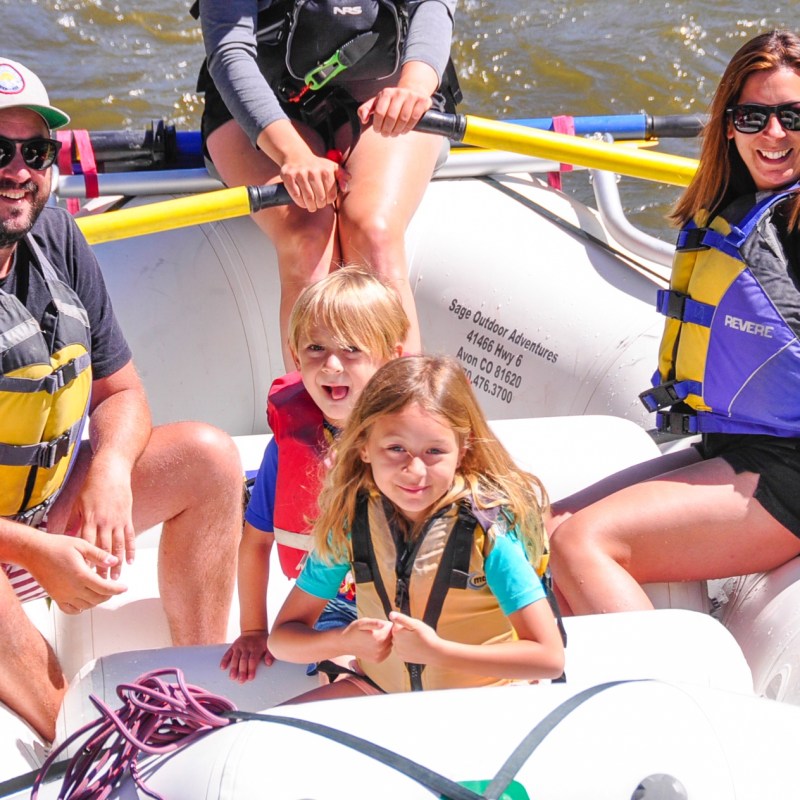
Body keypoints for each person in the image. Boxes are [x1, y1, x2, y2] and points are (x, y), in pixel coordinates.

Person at [0, 57, 242, 743]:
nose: (18, 170)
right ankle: (78, 739)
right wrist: (35, 555)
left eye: (36, 151)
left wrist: (106, 470)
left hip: (46, 511)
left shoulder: (53, 236)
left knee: (208, 459)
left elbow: (123, 392)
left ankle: (203, 695)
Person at [548, 30, 800, 616]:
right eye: (754, 115)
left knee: (582, 543)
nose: (774, 134)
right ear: (729, 124)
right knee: (542, 528)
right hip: (739, 446)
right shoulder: (739, 206)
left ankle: (665, 696)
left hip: (788, 473)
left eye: (793, 115)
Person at [269, 355, 565, 700]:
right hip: (377, 690)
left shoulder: (488, 533)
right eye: (396, 448)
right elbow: (282, 640)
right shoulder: (352, 524)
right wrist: (343, 640)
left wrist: (438, 652)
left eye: (434, 451)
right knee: (258, 739)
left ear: (462, 449)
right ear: (364, 446)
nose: (415, 471)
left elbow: (549, 658)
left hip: (483, 701)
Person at [195, 0, 461, 368]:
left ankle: (399, 409)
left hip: (390, 84)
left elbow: (431, 6)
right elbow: (229, 50)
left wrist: (414, 88)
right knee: (306, 236)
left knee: (374, 230)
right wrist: (291, 154)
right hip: (264, 95)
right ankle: (309, 418)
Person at [219, 265, 409, 682]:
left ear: (392, 358)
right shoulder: (288, 450)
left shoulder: (417, 445)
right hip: (333, 605)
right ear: (295, 353)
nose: (332, 365)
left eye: (352, 350)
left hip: (417, 591)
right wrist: (253, 630)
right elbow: (255, 543)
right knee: (341, 673)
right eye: (316, 349)